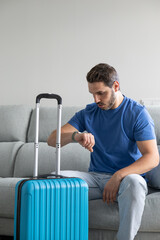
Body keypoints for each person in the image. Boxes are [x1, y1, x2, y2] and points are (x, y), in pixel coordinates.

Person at [47, 63, 159, 240]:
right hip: (96, 178)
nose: (96, 100)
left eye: (101, 93)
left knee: (135, 183)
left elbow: (152, 158)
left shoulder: (137, 114)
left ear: (116, 86)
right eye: (92, 94)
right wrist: (76, 136)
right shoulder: (89, 112)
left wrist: (118, 176)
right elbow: (52, 139)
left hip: (127, 180)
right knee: (54, 180)